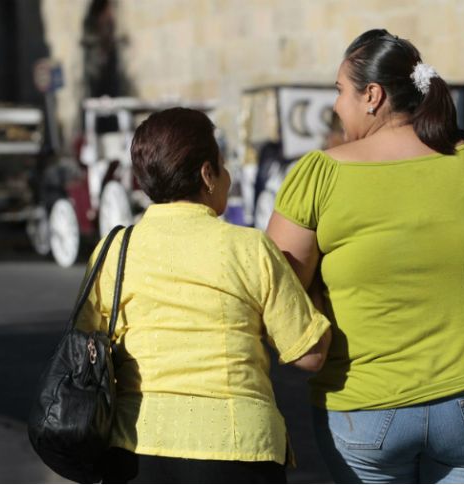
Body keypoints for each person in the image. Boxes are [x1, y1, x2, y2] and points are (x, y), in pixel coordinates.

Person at [266, 29, 464, 483]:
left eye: (340, 92)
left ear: (372, 96)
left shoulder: (319, 174)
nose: (336, 105)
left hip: (365, 405)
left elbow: (278, 284)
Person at [76, 107, 332, 483]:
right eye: (222, 166)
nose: (227, 176)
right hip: (239, 447)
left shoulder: (114, 250)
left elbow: (84, 348)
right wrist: (317, 287)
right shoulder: (250, 248)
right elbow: (310, 355)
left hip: (137, 448)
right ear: (206, 175)